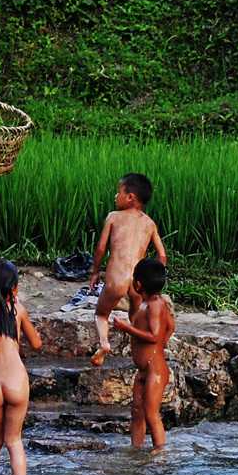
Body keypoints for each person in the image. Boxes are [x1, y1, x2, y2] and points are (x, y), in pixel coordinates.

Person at [89, 173, 167, 366]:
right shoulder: (149, 223)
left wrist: (94, 271)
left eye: (119, 192)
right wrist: (154, 279)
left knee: (101, 314)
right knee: (135, 315)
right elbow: (162, 255)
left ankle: (104, 344)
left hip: (116, 279)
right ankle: (139, 349)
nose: (116, 196)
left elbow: (100, 248)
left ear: (130, 197)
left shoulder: (113, 217)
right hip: (137, 282)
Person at [0, 260, 42, 475]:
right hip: (16, 379)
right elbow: (36, 344)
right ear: (13, 288)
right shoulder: (18, 310)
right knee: (14, 441)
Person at [114, 258, 175, 449]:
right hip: (144, 370)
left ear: (138, 283)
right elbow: (171, 327)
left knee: (151, 413)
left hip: (155, 370)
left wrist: (126, 327)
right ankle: (136, 448)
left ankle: (160, 453)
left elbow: (154, 336)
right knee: (137, 411)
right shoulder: (146, 304)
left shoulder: (155, 305)